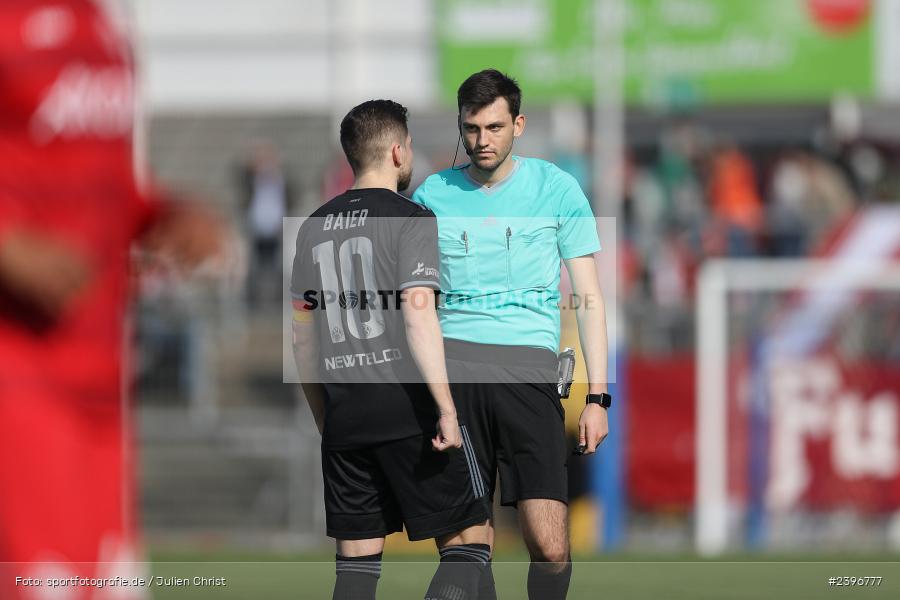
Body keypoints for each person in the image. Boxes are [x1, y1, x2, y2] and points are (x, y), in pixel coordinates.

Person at [0, 1, 225, 598]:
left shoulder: (104, 26)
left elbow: (110, 183)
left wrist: (165, 215)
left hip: (100, 381)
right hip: (17, 375)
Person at [412, 69, 611, 600]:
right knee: (466, 552)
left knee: (550, 548)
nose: (482, 141)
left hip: (530, 376)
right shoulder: (434, 194)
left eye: (495, 128)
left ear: (518, 125)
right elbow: (417, 304)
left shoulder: (556, 188)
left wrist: (598, 397)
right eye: (471, 129)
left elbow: (589, 299)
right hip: (455, 380)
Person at [291, 100, 491, 600]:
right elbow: (419, 314)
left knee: (356, 568)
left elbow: (301, 336)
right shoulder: (411, 218)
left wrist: (325, 417)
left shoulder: (312, 227)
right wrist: (446, 408)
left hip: (345, 417)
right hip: (409, 411)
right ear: (399, 152)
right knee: (470, 543)